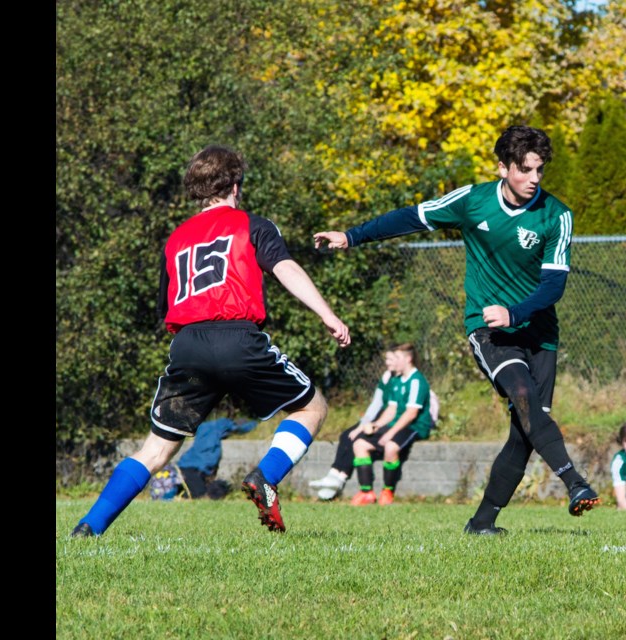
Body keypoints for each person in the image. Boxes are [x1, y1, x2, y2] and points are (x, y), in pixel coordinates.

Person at [315, 125, 598, 535]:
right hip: (488, 330)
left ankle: (481, 523)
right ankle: (575, 481)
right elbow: (412, 217)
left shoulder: (557, 215)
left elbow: (554, 285)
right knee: (522, 395)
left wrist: (516, 312)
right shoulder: (473, 201)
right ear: (502, 168)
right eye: (525, 169)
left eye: (540, 170)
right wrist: (352, 236)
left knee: (526, 430)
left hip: (538, 333)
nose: (535, 178)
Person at [71, 145, 350, 537]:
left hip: (186, 344)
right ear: (236, 186)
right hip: (238, 338)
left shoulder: (175, 239)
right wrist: (327, 314)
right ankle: (265, 478)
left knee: (156, 449)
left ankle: (89, 526)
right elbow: (285, 267)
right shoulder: (252, 224)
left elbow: (165, 306)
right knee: (312, 407)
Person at [349, 343, 433, 506]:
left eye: (397, 358)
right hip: (397, 424)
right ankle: (366, 492)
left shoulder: (417, 381)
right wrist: (377, 425)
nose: (393, 362)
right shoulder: (397, 380)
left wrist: (390, 433)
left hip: (414, 426)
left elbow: (411, 414)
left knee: (391, 447)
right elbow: (391, 409)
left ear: (408, 359)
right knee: (359, 444)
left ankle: (388, 492)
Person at [308, 350, 398, 500]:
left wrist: (369, 426)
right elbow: (376, 404)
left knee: (357, 439)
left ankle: (340, 478)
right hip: (378, 417)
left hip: (387, 421)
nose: (387, 362)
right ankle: (333, 475)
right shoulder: (387, 376)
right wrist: (362, 425)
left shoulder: (405, 380)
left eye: (391, 359)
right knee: (346, 435)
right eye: (387, 359)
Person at [177, 417, 259, 499]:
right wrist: (257, 422)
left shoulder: (204, 429)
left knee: (203, 491)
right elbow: (242, 427)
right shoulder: (219, 426)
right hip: (191, 469)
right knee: (199, 494)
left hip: (191, 467)